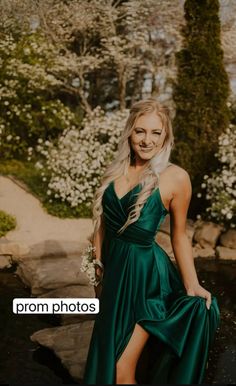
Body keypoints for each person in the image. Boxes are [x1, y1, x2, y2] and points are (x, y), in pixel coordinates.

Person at [82, 98, 220, 384]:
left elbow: (179, 235)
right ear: (129, 132)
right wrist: (97, 274)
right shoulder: (113, 172)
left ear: (166, 136)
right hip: (114, 278)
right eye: (140, 131)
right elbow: (102, 226)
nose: (147, 140)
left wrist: (192, 284)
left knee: (121, 369)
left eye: (156, 133)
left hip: (148, 282)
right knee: (109, 359)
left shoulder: (176, 178)